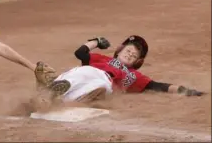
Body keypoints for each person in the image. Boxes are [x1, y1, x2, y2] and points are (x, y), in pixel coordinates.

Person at [34, 35, 205, 103]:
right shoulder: (102, 58)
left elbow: (158, 85)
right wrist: (96, 41)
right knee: (79, 73)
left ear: (137, 62)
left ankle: (61, 99)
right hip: (89, 72)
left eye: (135, 55)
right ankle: (51, 91)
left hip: (105, 83)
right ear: (119, 50)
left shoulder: (134, 75)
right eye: (129, 50)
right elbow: (80, 53)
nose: (130, 54)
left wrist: (185, 90)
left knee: (101, 87)